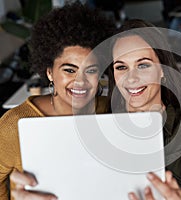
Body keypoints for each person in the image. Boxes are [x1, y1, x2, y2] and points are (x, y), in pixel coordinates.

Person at [0, 2, 114, 199]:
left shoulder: (110, 111)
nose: (81, 81)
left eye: (91, 70)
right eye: (69, 70)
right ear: (49, 72)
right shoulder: (15, 124)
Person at [107, 19, 181, 200]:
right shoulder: (98, 122)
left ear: (162, 69)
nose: (131, 78)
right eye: (121, 67)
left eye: (143, 65)